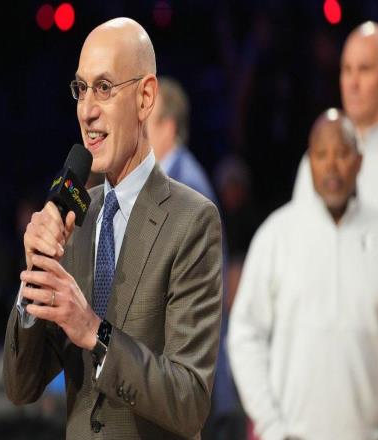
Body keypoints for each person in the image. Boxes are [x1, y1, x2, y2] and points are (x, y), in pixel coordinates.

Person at [2, 17, 223, 440]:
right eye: (81, 88)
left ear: (145, 98)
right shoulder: (75, 219)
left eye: (104, 88)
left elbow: (189, 401)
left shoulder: (192, 221)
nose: (86, 110)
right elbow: (20, 386)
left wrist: (94, 331)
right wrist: (34, 275)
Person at [228, 109, 378, 440]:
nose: (332, 165)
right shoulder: (276, 236)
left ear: (360, 162)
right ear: (309, 161)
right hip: (293, 434)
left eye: (342, 154)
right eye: (322, 155)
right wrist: (271, 426)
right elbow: (245, 334)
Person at [147, 77, 241, 439]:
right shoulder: (168, 180)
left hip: (195, 375)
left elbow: (194, 294)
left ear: (168, 127)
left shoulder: (187, 186)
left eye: (147, 120)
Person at [293, 22, 378, 224]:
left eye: (364, 69)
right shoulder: (316, 160)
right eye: (347, 70)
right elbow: (303, 234)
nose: (353, 83)